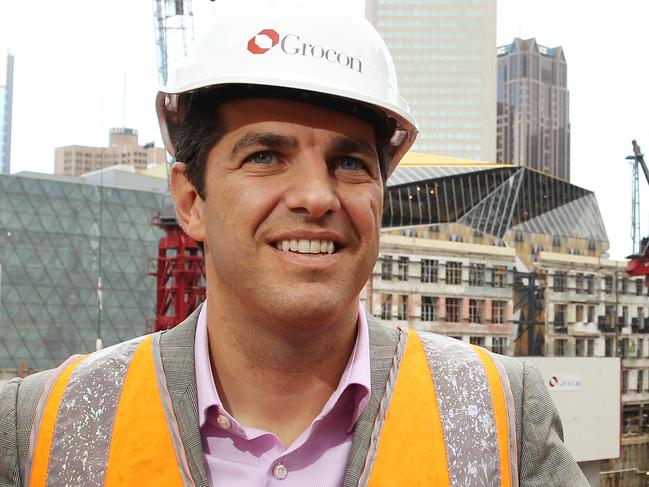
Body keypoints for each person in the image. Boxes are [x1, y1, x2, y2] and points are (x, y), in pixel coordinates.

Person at [0, 2, 588, 486]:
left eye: (350, 163)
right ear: (190, 201)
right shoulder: (42, 426)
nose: (316, 196)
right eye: (264, 156)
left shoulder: (502, 412)